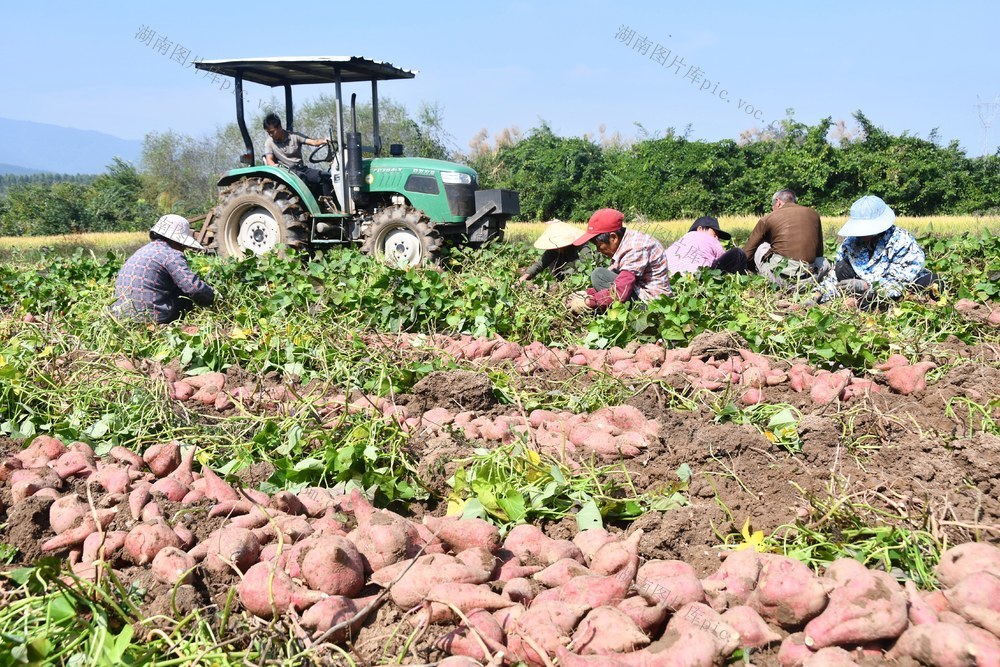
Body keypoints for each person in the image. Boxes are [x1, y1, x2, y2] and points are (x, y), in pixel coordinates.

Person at [808, 195, 939, 310]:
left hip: (892, 290)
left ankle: (867, 304)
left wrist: (866, 286)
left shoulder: (901, 240)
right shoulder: (851, 242)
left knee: (934, 281)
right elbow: (834, 277)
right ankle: (859, 302)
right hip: (862, 290)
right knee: (842, 267)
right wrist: (817, 295)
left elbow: (900, 280)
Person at [112, 214, 216, 324]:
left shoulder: (142, 251)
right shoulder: (171, 254)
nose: (184, 248)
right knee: (184, 294)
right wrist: (213, 296)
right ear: (176, 241)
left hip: (122, 315)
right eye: (182, 245)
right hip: (150, 317)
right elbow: (193, 288)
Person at [568, 208, 671, 312]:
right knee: (601, 276)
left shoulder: (635, 247)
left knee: (598, 275)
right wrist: (587, 294)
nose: (598, 251)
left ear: (613, 237)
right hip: (640, 293)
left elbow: (620, 291)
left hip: (653, 306)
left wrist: (588, 302)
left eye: (599, 246)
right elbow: (616, 279)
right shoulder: (625, 241)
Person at [736, 189, 829, 288]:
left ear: (778, 202)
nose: (773, 209)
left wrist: (748, 270)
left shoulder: (768, 218)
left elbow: (747, 253)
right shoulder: (814, 214)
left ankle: (763, 278)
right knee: (822, 260)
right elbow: (819, 253)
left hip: (780, 280)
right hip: (810, 279)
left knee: (761, 245)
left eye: (773, 206)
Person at [262, 113, 333, 198]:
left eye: (272, 132)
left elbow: (314, 142)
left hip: (301, 168)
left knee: (325, 176)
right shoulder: (269, 142)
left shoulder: (294, 136)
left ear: (280, 127)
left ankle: (328, 203)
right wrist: (274, 166)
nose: (270, 135)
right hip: (287, 172)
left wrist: (325, 141)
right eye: (268, 132)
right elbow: (269, 159)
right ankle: (309, 207)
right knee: (302, 178)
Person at [518, 220, 584, 283]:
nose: (556, 248)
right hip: (560, 279)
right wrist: (526, 275)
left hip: (577, 280)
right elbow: (541, 263)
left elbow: (585, 266)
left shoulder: (581, 247)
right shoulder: (554, 250)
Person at [665, 216, 732, 275]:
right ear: (700, 229)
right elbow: (726, 259)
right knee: (737, 253)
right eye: (714, 235)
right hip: (696, 275)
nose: (716, 238)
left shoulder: (678, 242)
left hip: (666, 277)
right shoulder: (711, 240)